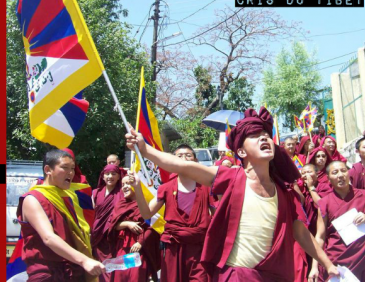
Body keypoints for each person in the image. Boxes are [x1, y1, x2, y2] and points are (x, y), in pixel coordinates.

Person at [126, 107, 339, 282]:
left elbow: (301, 233)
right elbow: (182, 166)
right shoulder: (232, 177)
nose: (263, 137)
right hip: (237, 275)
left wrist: (328, 265)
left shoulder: (284, 191)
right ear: (242, 152)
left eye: (265, 134)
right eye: (255, 136)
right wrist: (145, 150)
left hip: (273, 275)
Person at [131, 144, 215, 282]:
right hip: (173, 247)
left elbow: (218, 215)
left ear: (195, 162)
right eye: (179, 156)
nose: (183, 158)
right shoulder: (166, 188)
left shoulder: (206, 187)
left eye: (188, 155)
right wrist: (137, 188)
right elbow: (146, 214)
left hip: (199, 247)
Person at [17, 149, 104, 281]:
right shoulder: (33, 199)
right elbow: (49, 237)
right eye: (65, 167)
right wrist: (84, 260)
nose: (70, 173)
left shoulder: (69, 197)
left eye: (73, 168)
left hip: (73, 270)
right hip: (48, 272)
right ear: (48, 170)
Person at [107, 176, 161, 282]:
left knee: (136, 276)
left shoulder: (147, 204)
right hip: (123, 247)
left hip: (139, 248)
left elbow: (153, 227)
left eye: (127, 183)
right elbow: (113, 225)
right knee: (121, 275)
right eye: (122, 185)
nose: (124, 187)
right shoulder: (121, 204)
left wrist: (141, 242)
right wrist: (127, 224)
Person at [91, 164, 123, 282]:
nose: (110, 176)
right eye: (107, 174)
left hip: (114, 236)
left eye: (114, 174)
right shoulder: (95, 193)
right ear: (102, 176)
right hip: (97, 235)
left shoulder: (122, 192)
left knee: (113, 267)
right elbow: (93, 214)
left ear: (119, 176)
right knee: (99, 267)